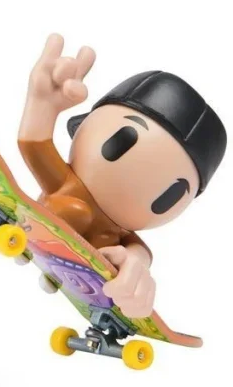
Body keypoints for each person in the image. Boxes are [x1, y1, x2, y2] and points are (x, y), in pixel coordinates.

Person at [18, 34, 226, 318]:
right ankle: (33, 246)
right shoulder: (65, 185)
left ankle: (55, 271)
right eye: (125, 140)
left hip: (80, 261)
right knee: (72, 209)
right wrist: (41, 105)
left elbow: (140, 253)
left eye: (173, 190)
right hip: (30, 231)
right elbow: (33, 143)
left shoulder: (119, 237)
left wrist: (134, 265)